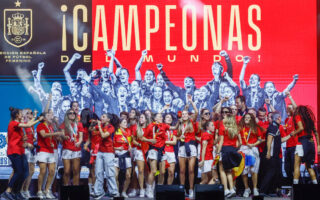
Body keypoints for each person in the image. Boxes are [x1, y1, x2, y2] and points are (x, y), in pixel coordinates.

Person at [2, 107, 43, 200]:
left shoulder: (18, 126)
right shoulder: (14, 123)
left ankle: (17, 192)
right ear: (17, 115)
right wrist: (38, 119)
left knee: (25, 173)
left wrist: (23, 139)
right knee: (18, 171)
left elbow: (17, 137)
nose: (22, 115)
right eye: (21, 113)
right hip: (14, 151)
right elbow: (28, 125)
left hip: (20, 151)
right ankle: (8, 191)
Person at [259, 112, 292, 195]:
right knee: (270, 172)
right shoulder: (273, 127)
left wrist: (291, 135)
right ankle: (262, 190)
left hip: (275, 155)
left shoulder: (275, 127)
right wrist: (268, 152)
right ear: (278, 118)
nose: (281, 120)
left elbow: (280, 140)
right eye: (280, 118)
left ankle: (270, 191)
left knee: (274, 173)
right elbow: (269, 139)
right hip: (272, 154)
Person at [90, 113, 119, 199]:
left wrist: (99, 126)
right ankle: (98, 191)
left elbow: (103, 135)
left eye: (103, 117)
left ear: (108, 119)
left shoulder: (111, 127)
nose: (101, 118)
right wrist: (93, 124)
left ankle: (113, 192)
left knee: (109, 173)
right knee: (98, 172)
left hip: (109, 152)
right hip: (100, 151)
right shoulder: (101, 125)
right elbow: (90, 129)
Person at [142, 113, 170, 198]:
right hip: (153, 149)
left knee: (162, 172)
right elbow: (143, 138)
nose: (162, 117)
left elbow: (174, 128)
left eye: (162, 116)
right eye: (160, 116)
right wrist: (150, 140)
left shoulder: (163, 126)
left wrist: (179, 122)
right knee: (153, 171)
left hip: (162, 150)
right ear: (155, 119)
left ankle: (159, 188)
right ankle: (149, 189)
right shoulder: (150, 126)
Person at [36, 112, 64, 199]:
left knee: (52, 171)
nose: (51, 116)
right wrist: (55, 134)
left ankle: (47, 190)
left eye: (51, 115)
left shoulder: (51, 127)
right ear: (44, 118)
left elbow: (52, 137)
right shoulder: (41, 125)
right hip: (43, 151)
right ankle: (39, 190)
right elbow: (43, 135)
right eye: (48, 115)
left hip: (51, 151)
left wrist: (58, 137)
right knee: (43, 172)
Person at [176, 95, 199, 198]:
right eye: (183, 114)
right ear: (181, 116)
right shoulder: (179, 125)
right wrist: (179, 137)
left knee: (191, 170)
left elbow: (197, 112)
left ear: (188, 115)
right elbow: (175, 138)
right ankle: (182, 189)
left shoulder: (192, 122)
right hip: (181, 147)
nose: (185, 115)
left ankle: (190, 189)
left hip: (191, 147)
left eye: (186, 114)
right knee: (181, 170)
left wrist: (191, 101)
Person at [291, 106, 320, 185]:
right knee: (309, 167)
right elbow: (316, 133)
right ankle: (316, 186)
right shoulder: (309, 120)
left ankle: (295, 187)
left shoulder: (297, 116)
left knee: (296, 166)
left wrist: (293, 133)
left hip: (301, 143)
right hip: (311, 143)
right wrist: (318, 146)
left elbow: (301, 128)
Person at [216, 115, 242, 198]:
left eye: (224, 118)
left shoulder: (222, 128)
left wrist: (217, 152)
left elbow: (221, 142)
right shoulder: (236, 129)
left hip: (224, 150)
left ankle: (226, 190)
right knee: (229, 171)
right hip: (233, 150)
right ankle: (232, 189)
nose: (223, 119)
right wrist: (235, 149)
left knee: (222, 170)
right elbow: (240, 142)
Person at [239, 113, 262, 197]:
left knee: (253, 170)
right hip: (243, 149)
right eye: (245, 117)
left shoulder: (256, 128)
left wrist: (253, 144)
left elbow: (260, 139)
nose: (247, 119)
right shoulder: (241, 128)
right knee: (244, 171)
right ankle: (246, 188)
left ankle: (255, 188)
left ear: (252, 119)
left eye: (249, 117)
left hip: (252, 150)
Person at [60, 109, 83, 186]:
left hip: (76, 149)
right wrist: (64, 136)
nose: (72, 114)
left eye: (74, 113)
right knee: (66, 171)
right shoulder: (64, 124)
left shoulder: (79, 124)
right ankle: (66, 188)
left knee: (76, 170)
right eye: (70, 113)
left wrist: (79, 142)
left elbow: (81, 137)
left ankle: (75, 189)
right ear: (67, 115)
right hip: (67, 149)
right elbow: (62, 135)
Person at [132, 113, 151, 197]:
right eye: (140, 117)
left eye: (142, 117)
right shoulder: (137, 128)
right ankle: (141, 189)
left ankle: (148, 188)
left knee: (148, 171)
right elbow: (133, 140)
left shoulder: (150, 128)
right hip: (139, 151)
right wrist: (140, 145)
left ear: (146, 119)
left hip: (148, 151)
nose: (140, 119)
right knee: (140, 170)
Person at [20, 109, 37, 199]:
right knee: (25, 171)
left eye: (31, 113)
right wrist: (26, 143)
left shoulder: (31, 126)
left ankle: (26, 189)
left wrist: (33, 140)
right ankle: (20, 190)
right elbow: (19, 139)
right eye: (29, 113)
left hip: (31, 149)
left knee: (31, 171)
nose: (31, 114)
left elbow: (31, 137)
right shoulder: (23, 125)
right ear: (24, 115)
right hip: (24, 150)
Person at [113, 118, 132, 198]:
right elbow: (110, 146)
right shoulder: (115, 132)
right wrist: (117, 148)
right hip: (117, 155)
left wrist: (130, 147)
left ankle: (124, 192)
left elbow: (130, 143)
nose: (126, 124)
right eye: (124, 122)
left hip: (126, 155)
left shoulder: (129, 132)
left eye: (126, 122)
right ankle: (116, 192)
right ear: (119, 124)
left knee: (128, 176)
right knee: (115, 175)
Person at [159, 113, 177, 185]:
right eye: (167, 117)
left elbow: (175, 142)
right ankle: (160, 188)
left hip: (171, 152)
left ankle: (168, 189)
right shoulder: (161, 128)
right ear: (164, 119)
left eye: (170, 118)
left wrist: (164, 141)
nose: (169, 119)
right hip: (163, 151)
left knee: (171, 172)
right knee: (162, 172)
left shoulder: (173, 130)